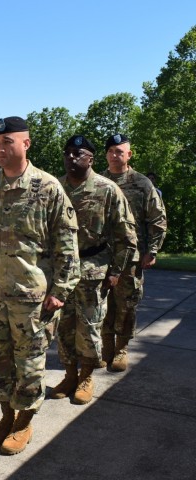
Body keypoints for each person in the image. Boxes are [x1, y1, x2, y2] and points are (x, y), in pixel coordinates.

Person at [0, 116, 80, 455]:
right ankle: (6, 416)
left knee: (29, 366)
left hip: (33, 298)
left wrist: (61, 291)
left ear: (26, 144)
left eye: (8, 143)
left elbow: (67, 243)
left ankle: (24, 423)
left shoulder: (47, 188)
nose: (1, 149)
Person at [50, 135, 137, 405]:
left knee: (89, 328)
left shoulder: (107, 189)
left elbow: (127, 235)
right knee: (63, 327)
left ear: (91, 159)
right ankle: (69, 375)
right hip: (60, 272)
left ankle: (86, 376)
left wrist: (116, 271)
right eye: (68, 153)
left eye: (78, 153)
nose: (71, 158)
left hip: (93, 270)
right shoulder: (54, 187)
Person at [101, 134, 167, 372]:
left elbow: (157, 219)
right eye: (111, 151)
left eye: (120, 151)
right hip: (102, 256)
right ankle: (105, 346)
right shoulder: (98, 181)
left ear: (129, 155)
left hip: (131, 256)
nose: (114, 155)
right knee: (102, 303)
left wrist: (152, 250)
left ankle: (121, 348)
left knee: (127, 304)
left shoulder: (141, 183)